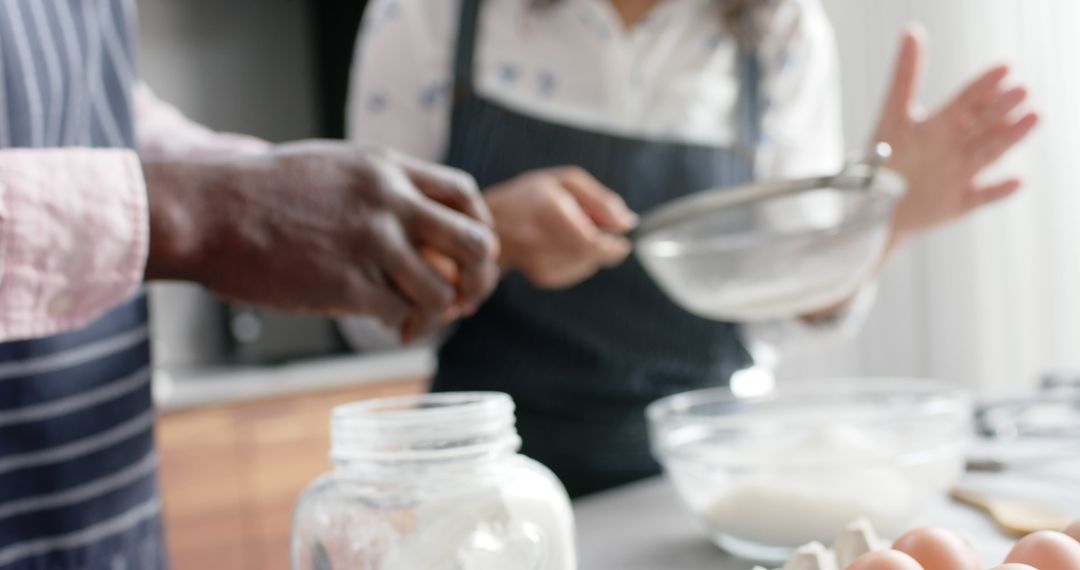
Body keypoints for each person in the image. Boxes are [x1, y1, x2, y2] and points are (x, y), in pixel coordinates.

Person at [344, 0, 1038, 497]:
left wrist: (891, 218)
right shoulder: (428, 17)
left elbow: (788, 301)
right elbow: (364, 320)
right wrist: (486, 236)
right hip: (485, 482)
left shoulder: (778, 30)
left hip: (704, 484)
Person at [0, 2, 499, 568]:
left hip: (102, 521)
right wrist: (204, 213)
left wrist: (306, 202)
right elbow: (196, 205)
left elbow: (104, 107)